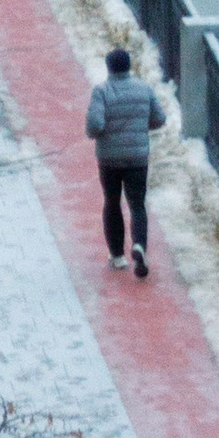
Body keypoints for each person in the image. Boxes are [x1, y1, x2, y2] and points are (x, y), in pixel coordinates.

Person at [85, 45, 167, 276]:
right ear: (129, 66)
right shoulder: (143, 89)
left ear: (109, 67)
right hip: (137, 158)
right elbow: (159, 118)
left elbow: (94, 125)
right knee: (137, 204)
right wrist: (141, 127)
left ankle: (118, 255)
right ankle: (139, 245)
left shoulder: (102, 91)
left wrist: (96, 133)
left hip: (109, 159)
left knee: (112, 202)